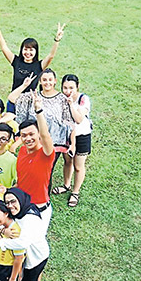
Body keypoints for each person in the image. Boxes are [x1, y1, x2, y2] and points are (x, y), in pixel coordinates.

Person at [0, 14, 66, 112]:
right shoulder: (16, 61)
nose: (28, 53)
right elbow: (4, 48)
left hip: (30, 104)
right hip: (14, 100)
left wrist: (57, 40)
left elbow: (51, 56)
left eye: (31, 50)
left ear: (36, 51)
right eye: (26, 49)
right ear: (21, 50)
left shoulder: (39, 66)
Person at [14, 82, 61, 233]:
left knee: (35, 247)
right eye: (24, 135)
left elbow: (46, 135)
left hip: (38, 208)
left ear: (38, 135)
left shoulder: (46, 154)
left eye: (31, 134)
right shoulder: (22, 151)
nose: (28, 138)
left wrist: (38, 110)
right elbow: (23, 180)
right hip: (21, 204)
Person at [1, 188, 50, 281]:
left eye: (13, 201)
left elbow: (22, 243)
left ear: (20, 200)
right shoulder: (21, 211)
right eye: (7, 203)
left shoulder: (30, 219)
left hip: (37, 257)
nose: (10, 206)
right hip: (28, 256)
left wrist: (2, 242)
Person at [52, 74, 92, 207]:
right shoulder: (60, 98)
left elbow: (78, 119)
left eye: (71, 88)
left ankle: (75, 192)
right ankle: (66, 185)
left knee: (78, 166)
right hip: (67, 135)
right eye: (65, 88)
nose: (68, 91)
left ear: (77, 87)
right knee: (67, 161)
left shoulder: (83, 99)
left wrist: (70, 105)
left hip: (82, 136)